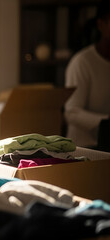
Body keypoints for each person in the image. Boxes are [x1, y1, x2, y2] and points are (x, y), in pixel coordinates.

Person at [64, 0, 110, 148]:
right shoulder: (82, 62)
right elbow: (72, 112)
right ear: (101, 25)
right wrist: (106, 122)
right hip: (85, 150)